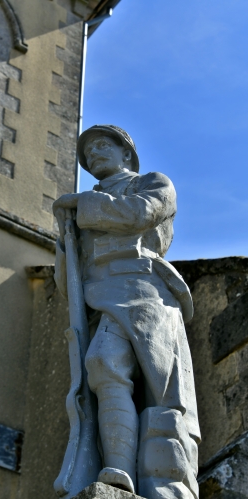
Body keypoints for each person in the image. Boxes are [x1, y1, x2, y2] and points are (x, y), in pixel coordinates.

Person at [53, 125, 200, 499]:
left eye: (105, 145)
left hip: (143, 293)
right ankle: (117, 468)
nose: (96, 153)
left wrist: (81, 208)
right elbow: (66, 278)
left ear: (126, 155)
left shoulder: (150, 183)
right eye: (90, 152)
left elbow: (141, 213)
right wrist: (64, 237)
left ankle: (144, 475)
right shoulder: (81, 206)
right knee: (102, 367)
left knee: (146, 387)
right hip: (99, 300)